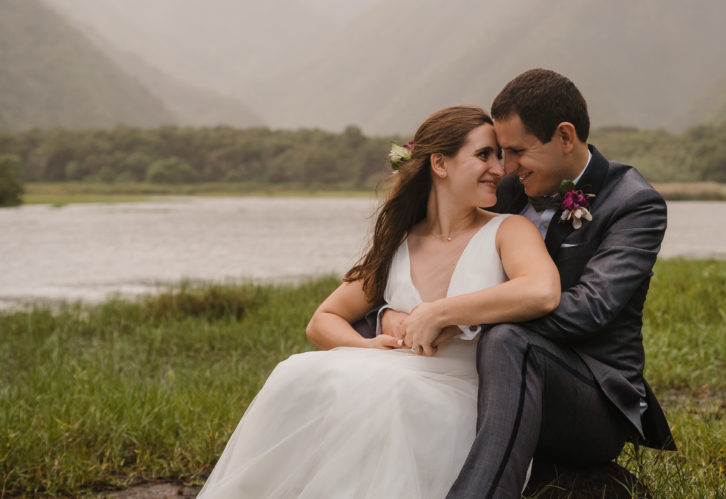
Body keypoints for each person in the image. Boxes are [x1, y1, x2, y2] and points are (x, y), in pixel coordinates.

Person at [197, 105, 560, 498]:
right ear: (440, 164)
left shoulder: (507, 229)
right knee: (297, 372)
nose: (499, 168)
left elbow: (541, 291)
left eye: (499, 156)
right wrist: (367, 344)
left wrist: (438, 312)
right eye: (483, 155)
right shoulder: (401, 242)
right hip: (397, 372)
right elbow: (323, 320)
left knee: (391, 393)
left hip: (465, 393)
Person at [383, 68, 677, 498]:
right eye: (500, 152)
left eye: (517, 151)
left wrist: (460, 315)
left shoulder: (633, 204)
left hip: (591, 400)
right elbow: (431, 259)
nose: (505, 166)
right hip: (490, 378)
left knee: (506, 338)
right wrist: (393, 314)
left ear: (564, 136)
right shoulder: (504, 191)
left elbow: (588, 309)